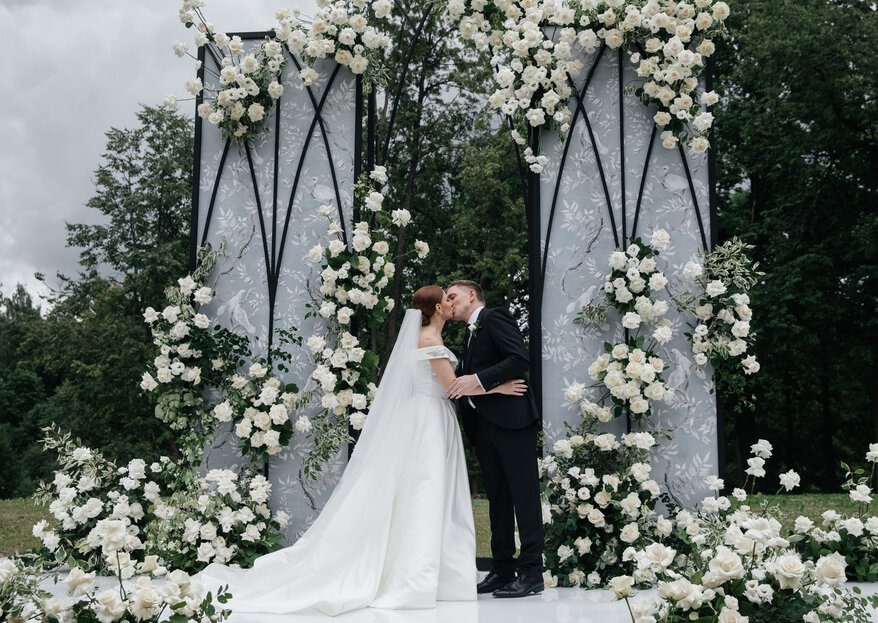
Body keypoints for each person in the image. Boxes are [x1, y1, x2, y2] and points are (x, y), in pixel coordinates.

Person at [196, 286, 527, 616]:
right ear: (438, 308)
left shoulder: (429, 337)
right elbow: (453, 388)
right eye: (447, 298)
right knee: (426, 489)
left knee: (422, 491)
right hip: (431, 420)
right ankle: (420, 574)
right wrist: (500, 387)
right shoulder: (429, 340)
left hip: (429, 417)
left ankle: (433, 571)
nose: (451, 303)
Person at [445, 280, 545, 599]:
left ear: (471, 294)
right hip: (484, 427)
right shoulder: (469, 333)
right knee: (498, 500)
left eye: (453, 296)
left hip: (513, 422)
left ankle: (531, 573)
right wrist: (484, 386)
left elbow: (518, 358)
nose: (449, 302)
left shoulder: (494, 317)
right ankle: (502, 569)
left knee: (524, 497)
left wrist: (476, 380)